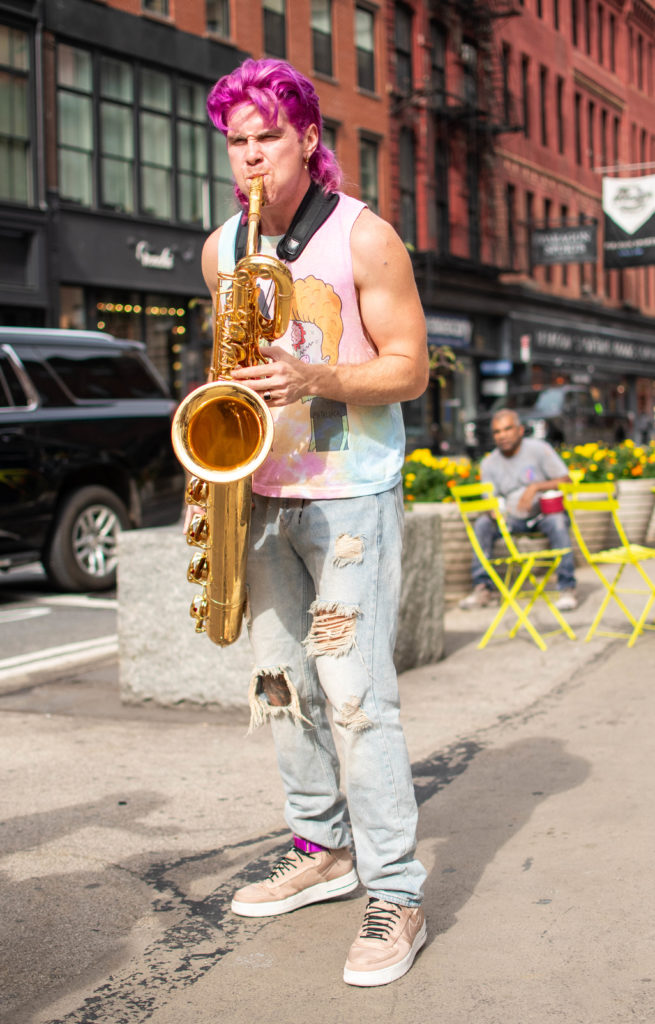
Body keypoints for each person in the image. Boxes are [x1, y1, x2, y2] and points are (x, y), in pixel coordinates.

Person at [200, 58, 429, 988]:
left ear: (305, 140)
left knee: (355, 697)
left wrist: (318, 377)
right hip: (257, 489)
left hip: (348, 491)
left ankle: (398, 891)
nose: (251, 158)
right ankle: (320, 847)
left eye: (267, 138)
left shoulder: (365, 237)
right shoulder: (223, 248)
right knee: (282, 684)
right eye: (236, 142)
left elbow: (409, 367)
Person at [459, 408, 578, 612]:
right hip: (512, 518)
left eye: (507, 429)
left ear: (520, 430)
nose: (502, 435)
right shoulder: (489, 463)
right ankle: (482, 588)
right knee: (482, 524)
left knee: (558, 521)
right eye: (497, 432)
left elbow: (566, 480)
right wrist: (493, 510)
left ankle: (567, 587)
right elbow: (489, 497)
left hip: (543, 514)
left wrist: (535, 487)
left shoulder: (539, 449)